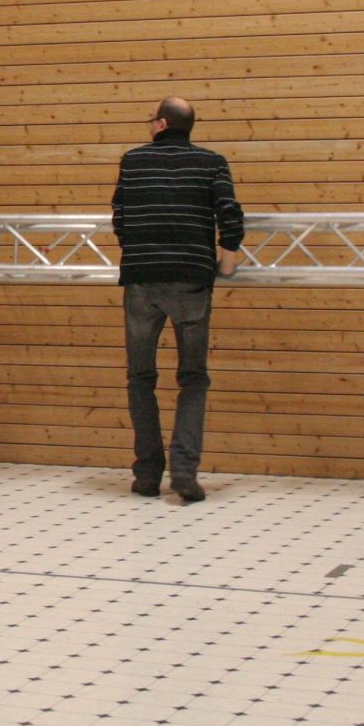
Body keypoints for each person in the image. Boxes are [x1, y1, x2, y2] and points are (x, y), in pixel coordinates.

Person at [112, 96, 244, 504]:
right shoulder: (212, 163)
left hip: (142, 281)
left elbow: (120, 217)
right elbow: (230, 214)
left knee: (140, 378)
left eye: (151, 119)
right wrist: (227, 260)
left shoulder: (133, 161)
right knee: (192, 377)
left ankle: (147, 475)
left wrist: (141, 251)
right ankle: (184, 473)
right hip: (191, 280)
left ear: (162, 124)